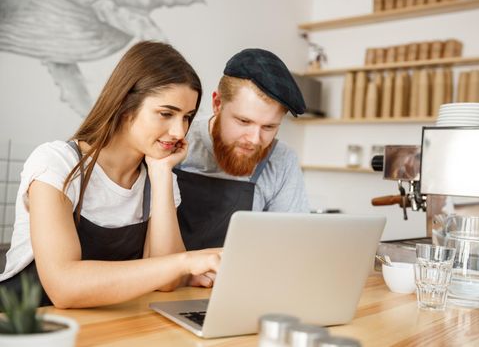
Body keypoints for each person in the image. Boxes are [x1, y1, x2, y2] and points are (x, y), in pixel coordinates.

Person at [0, 41, 221, 308]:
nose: (178, 131)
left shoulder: (159, 179)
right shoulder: (56, 164)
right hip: (28, 326)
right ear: (125, 105)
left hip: (106, 326)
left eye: (186, 117)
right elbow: (64, 287)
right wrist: (186, 262)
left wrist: (162, 172)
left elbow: (166, 282)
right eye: (166, 114)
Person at [174, 48, 310, 250]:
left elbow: (290, 246)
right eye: (244, 121)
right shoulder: (177, 140)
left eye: (269, 127)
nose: (254, 140)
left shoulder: (282, 160)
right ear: (217, 103)